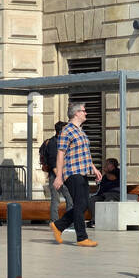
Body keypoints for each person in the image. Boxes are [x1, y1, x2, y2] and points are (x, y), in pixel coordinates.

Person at [51, 100, 102, 247]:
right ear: (76, 113)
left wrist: (93, 167)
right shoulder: (66, 131)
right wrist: (59, 176)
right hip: (72, 172)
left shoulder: (80, 131)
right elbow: (60, 154)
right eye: (84, 111)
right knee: (80, 204)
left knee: (83, 204)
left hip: (83, 171)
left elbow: (84, 152)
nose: (86, 113)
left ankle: (59, 226)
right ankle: (81, 237)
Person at [40, 121, 71, 226]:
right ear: (61, 131)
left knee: (57, 199)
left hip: (60, 174)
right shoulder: (54, 143)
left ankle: (56, 221)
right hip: (57, 175)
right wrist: (60, 177)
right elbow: (53, 163)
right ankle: (64, 222)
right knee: (67, 198)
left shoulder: (62, 142)